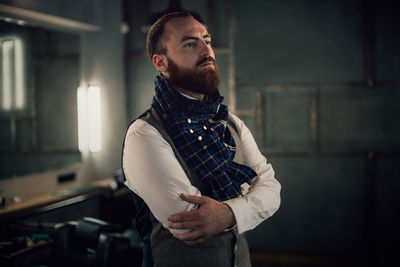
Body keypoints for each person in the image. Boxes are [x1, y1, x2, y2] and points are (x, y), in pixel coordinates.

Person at [122, 11, 281, 267]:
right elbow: (190, 224)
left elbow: (272, 189)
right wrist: (248, 203)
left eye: (206, 40)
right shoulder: (145, 133)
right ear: (160, 62)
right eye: (189, 44)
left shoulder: (230, 122)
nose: (206, 50)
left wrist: (228, 214)